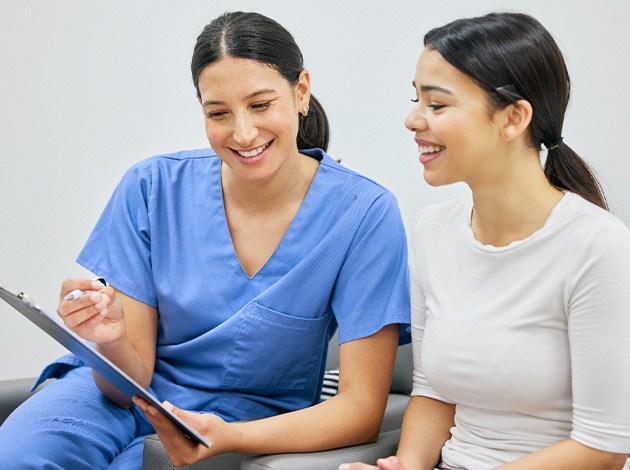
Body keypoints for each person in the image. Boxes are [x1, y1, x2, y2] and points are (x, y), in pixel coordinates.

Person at [0, 11, 411, 469]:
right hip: (117, 401)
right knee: (19, 457)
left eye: (260, 104)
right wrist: (111, 340)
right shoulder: (152, 187)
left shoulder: (364, 214)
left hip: (239, 421)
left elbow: (361, 411)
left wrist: (231, 437)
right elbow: (124, 385)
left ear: (301, 91)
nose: (243, 133)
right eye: (218, 113)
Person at [342, 11, 630, 470]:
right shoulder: (433, 229)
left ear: (513, 117)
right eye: (416, 100)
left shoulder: (599, 247)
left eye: (436, 105)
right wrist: (408, 466)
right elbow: (434, 392)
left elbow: (604, 449)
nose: (412, 120)